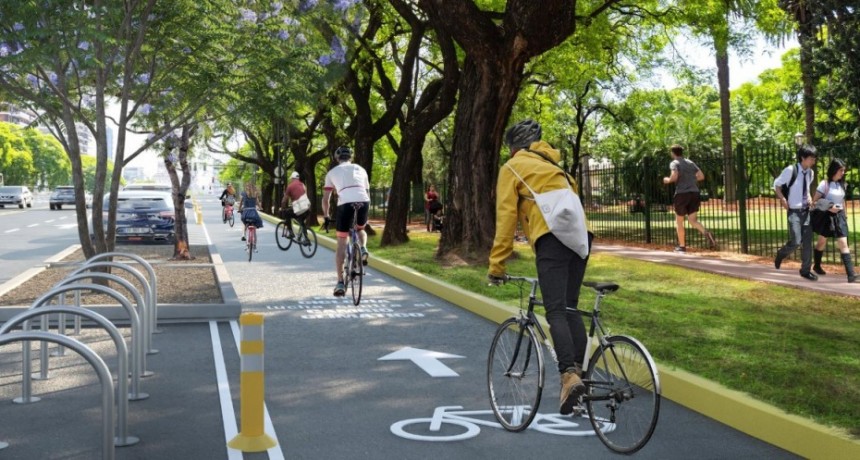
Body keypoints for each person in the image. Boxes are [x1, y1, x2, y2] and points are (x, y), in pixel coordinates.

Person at [487, 119, 591, 416]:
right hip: (581, 237)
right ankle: (581, 378)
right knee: (570, 308)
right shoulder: (557, 167)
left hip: (551, 239)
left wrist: (497, 265)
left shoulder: (512, 168)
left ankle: (568, 377)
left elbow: (506, 217)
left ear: (514, 148)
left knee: (555, 310)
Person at [322, 146, 371, 297]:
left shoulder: (331, 173)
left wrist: (326, 215)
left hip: (345, 203)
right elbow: (367, 191)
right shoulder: (361, 169)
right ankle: (363, 248)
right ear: (351, 157)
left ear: (337, 158)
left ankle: (340, 283)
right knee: (360, 229)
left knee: (342, 242)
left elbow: (326, 199)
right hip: (363, 201)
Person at [773, 144, 818, 281]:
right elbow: (776, 185)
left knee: (807, 243)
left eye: (814, 158)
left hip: (806, 212)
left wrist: (809, 197)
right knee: (796, 241)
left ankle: (805, 271)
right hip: (794, 212)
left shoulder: (810, 173)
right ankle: (781, 254)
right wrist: (782, 199)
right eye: (811, 158)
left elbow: (806, 189)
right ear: (803, 158)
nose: (814, 161)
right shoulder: (790, 170)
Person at [662, 145, 716, 253]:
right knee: (693, 220)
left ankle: (682, 247)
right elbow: (701, 176)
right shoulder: (690, 162)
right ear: (681, 152)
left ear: (673, 153)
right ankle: (707, 233)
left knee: (679, 221)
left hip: (682, 194)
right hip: (694, 193)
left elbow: (674, 176)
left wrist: (667, 180)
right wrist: (690, 179)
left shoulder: (674, 163)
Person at [811, 158, 856, 283]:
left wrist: (844, 215)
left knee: (843, 242)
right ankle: (817, 266)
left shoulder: (842, 184)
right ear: (834, 170)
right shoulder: (824, 184)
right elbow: (815, 201)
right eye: (841, 170)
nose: (843, 173)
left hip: (839, 216)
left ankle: (851, 274)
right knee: (821, 242)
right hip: (827, 216)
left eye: (843, 170)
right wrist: (830, 207)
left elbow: (842, 200)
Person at [280, 171, 309, 238]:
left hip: (298, 209)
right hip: (307, 208)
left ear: (292, 178)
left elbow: (284, 200)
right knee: (301, 221)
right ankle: (306, 238)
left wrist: (282, 207)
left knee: (287, 214)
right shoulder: (303, 185)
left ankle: (291, 233)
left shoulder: (290, 186)